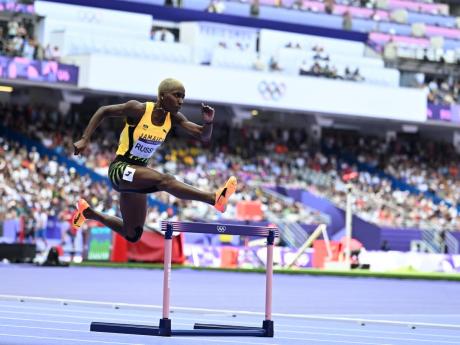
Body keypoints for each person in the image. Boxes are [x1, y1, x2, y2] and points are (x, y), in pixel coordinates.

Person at [71, 78, 237, 243]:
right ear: (163, 95)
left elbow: (203, 135)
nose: (180, 101)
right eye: (177, 95)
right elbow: (104, 111)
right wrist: (85, 139)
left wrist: (208, 122)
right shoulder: (138, 109)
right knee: (166, 180)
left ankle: (88, 213)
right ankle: (213, 198)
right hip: (120, 169)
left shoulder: (173, 118)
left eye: (183, 97)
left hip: (138, 174)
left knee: (133, 234)